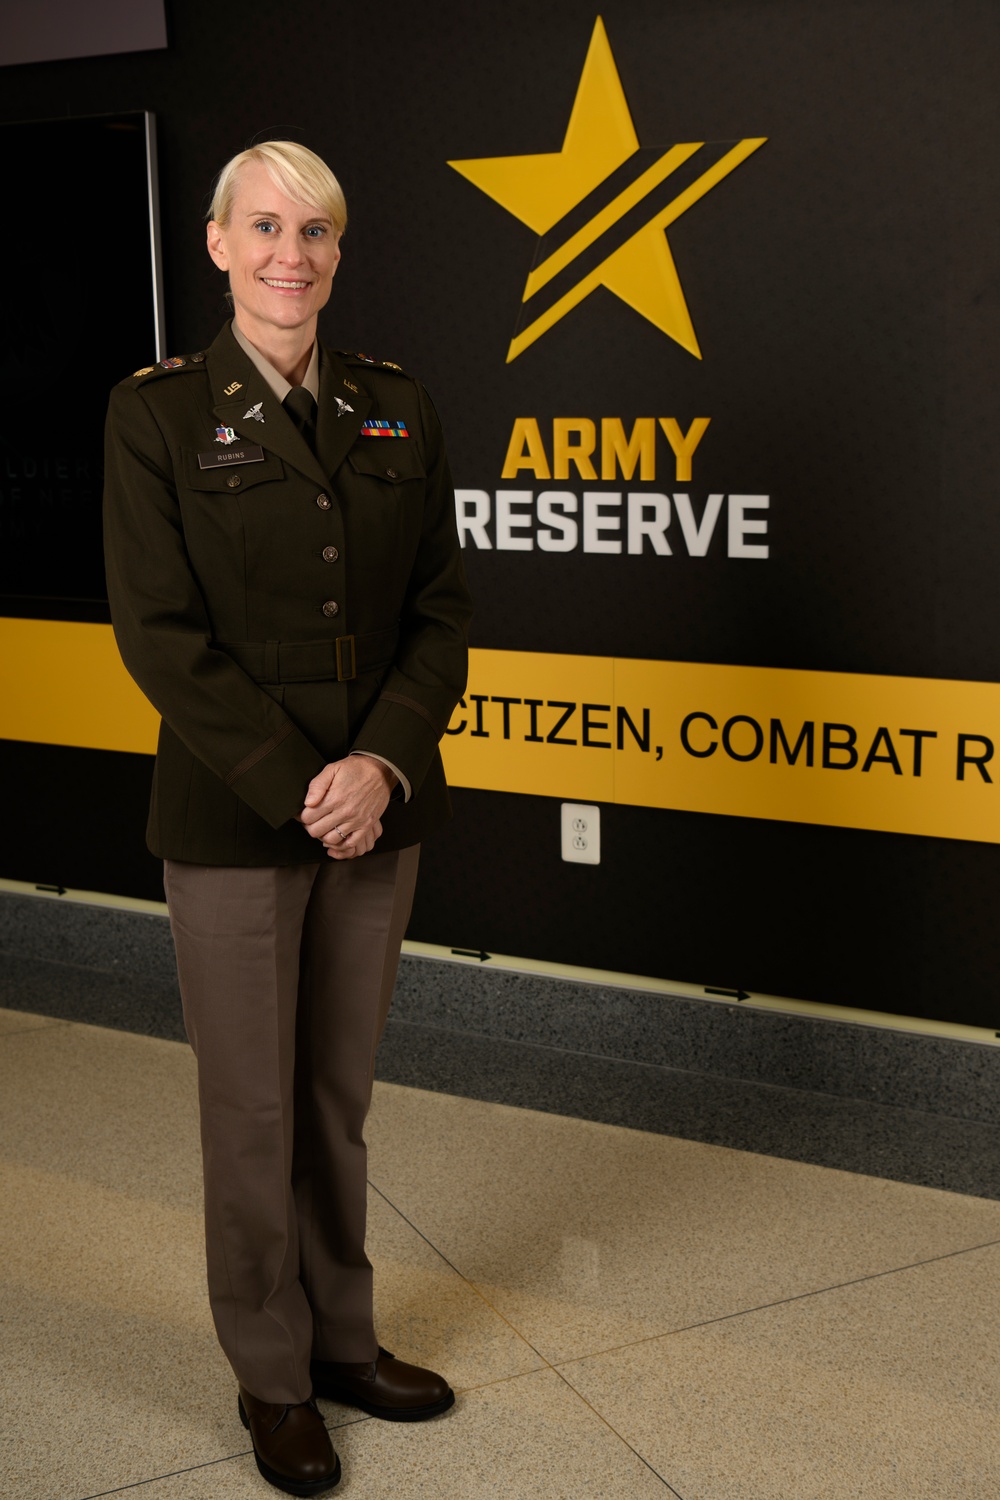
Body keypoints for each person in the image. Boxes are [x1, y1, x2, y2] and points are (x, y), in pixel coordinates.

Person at [103, 141, 472, 1497]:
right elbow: (159, 636)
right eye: (264, 227)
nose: (289, 255)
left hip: (375, 814)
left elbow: (440, 615)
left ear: (336, 250)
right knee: (251, 1113)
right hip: (233, 814)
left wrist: (377, 769)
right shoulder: (152, 415)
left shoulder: (396, 408)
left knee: (336, 1099)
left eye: (314, 231)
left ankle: (344, 1343)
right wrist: (300, 785)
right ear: (217, 244)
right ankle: (271, 1377)